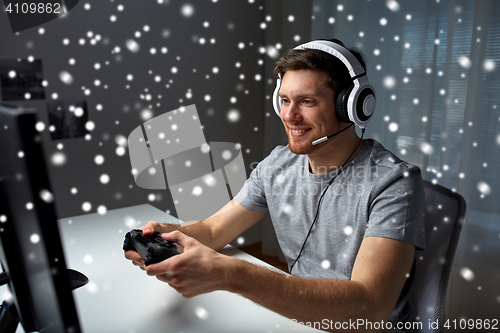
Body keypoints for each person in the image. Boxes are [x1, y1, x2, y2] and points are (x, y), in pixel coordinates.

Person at [124, 39, 425, 332]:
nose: (289, 116)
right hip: (299, 316)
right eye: (284, 100)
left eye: (307, 101)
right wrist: (170, 234)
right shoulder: (277, 165)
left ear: (352, 105)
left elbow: (369, 311)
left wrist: (235, 275)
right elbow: (215, 230)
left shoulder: (394, 183)